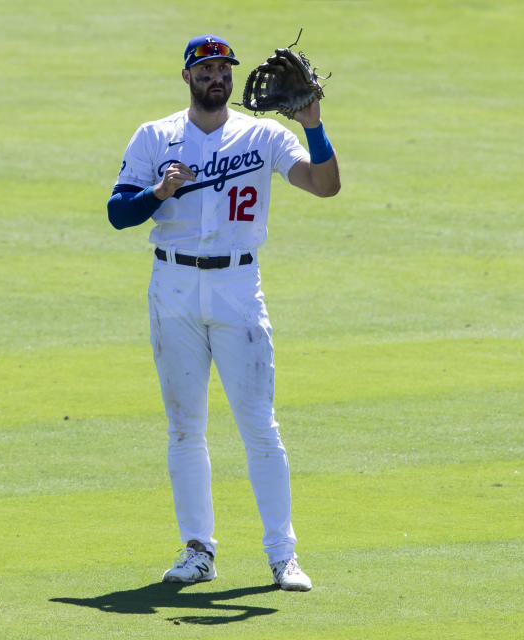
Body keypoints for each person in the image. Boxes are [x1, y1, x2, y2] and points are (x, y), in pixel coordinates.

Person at [107, 34, 340, 591]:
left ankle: (283, 556)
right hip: (174, 286)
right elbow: (118, 213)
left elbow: (324, 186)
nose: (218, 76)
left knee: (260, 427)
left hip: (238, 285)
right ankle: (198, 551)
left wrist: (312, 124)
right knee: (185, 427)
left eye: (223, 68)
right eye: (206, 68)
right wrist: (159, 192)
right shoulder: (155, 136)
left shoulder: (262, 134)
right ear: (187, 76)